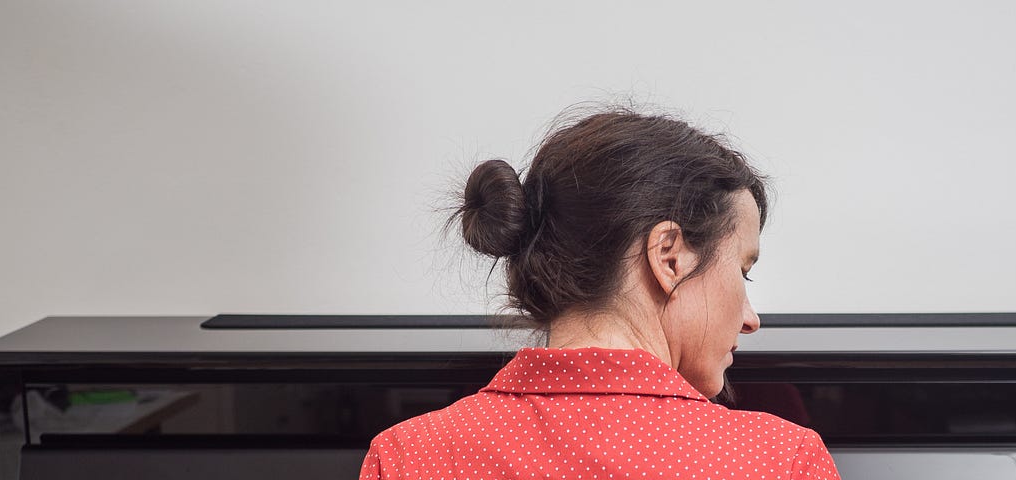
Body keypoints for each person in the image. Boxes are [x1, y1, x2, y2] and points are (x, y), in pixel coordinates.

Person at [359, 107, 840, 479]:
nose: (751, 318)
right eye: (742, 270)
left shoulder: (410, 456)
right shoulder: (776, 461)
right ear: (670, 256)